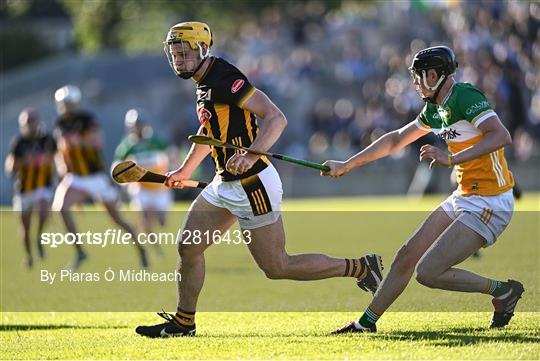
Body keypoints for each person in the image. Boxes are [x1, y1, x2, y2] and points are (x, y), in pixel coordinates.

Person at [135, 21, 384, 338]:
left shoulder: (225, 77)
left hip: (253, 185)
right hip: (223, 184)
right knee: (188, 247)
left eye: (184, 53)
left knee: (277, 267)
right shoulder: (202, 82)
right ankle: (184, 324)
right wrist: (185, 170)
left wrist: (252, 154)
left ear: (202, 49)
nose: (179, 61)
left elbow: (276, 117)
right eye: (174, 54)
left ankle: (360, 267)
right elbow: (209, 131)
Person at [322, 46, 524, 333]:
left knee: (427, 272)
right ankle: (365, 324)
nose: (415, 84)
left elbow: (500, 135)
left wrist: (451, 158)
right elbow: (395, 140)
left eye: (418, 77)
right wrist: (347, 164)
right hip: (465, 195)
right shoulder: (435, 109)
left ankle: (502, 290)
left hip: (491, 202)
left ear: (434, 75)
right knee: (406, 254)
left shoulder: (465, 96)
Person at [51, 85, 148, 270]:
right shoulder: (60, 123)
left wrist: (80, 140)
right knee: (60, 208)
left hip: (95, 177)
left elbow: (97, 141)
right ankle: (80, 252)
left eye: (67, 103)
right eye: (62, 104)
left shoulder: (87, 119)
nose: (65, 107)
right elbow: (60, 148)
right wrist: (62, 166)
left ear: (74, 103)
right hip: (76, 177)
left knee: (117, 220)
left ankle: (140, 248)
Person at [115, 109, 175, 254]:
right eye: (135, 125)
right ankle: (155, 248)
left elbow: (172, 153)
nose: (138, 128)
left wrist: (173, 172)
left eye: (140, 124)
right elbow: (117, 164)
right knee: (143, 219)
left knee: (162, 221)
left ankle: (159, 243)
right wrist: (125, 181)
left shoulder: (156, 141)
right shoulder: (128, 145)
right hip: (141, 188)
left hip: (160, 188)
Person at [5, 109, 56, 268]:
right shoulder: (18, 143)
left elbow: (55, 161)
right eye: (27, 123)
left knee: (42, 210)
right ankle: (28, 255)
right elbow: (10, 169)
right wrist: (24, 161)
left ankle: (39, 236)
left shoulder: (47, 140)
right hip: (24, 189)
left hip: (42, 186)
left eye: (32, 122)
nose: (30, 126)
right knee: (25, 228)